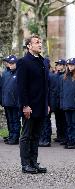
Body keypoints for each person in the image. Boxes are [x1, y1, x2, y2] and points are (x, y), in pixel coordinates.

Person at [17, 34, 49, 174]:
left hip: (41, 105)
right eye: (37, 42)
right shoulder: (24, 62)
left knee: (36, 136)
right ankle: (25, 165)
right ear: (29, 46)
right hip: (29, 106)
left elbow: (45, 85)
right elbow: (21, 86)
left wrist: (47, 104)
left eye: (40, 42)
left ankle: (33, 162)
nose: (40, 44)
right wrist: (25, 105)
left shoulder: (43, 61)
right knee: (26, 136)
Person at [1, 55, 21, 145]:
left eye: (12, 63)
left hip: (15, 102)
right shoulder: (5, 74)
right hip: (7, 102)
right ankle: (11, 135)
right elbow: (2, 88)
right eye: (9, 63)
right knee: (10, 120)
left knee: (15, 121)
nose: (11, 65)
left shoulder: (19, 74)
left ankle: (15, 137)